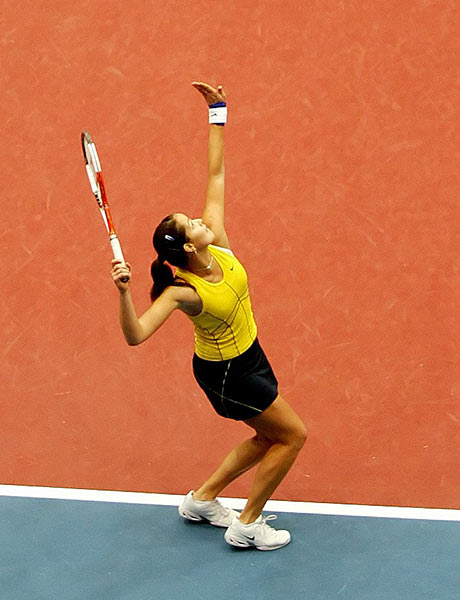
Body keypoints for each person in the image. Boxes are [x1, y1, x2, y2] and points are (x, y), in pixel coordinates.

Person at [111, 82, 307, 551]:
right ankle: (247, 525)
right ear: (187, 247)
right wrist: (123, 292)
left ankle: (202, 500)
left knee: (268, 435)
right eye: (192, 225)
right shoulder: (185, 293)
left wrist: (217, 113)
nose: (202, 221)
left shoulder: (214, 238)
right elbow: (136, 335)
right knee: (293, 436)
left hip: (250, 353)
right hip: (226, 374)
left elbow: (215, 173)